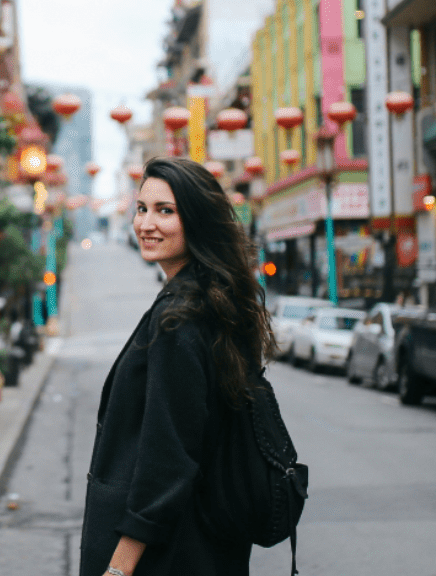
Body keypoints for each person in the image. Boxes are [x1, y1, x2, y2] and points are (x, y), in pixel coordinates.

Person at [80, 157, 278, 576]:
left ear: (197, 219)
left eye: (165, 211)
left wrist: (118, 568)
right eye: (141, 208)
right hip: (209, 545)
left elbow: (168, 457)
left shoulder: (180, 318)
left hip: (169, 554)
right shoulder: (216, 301)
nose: (145, 224)